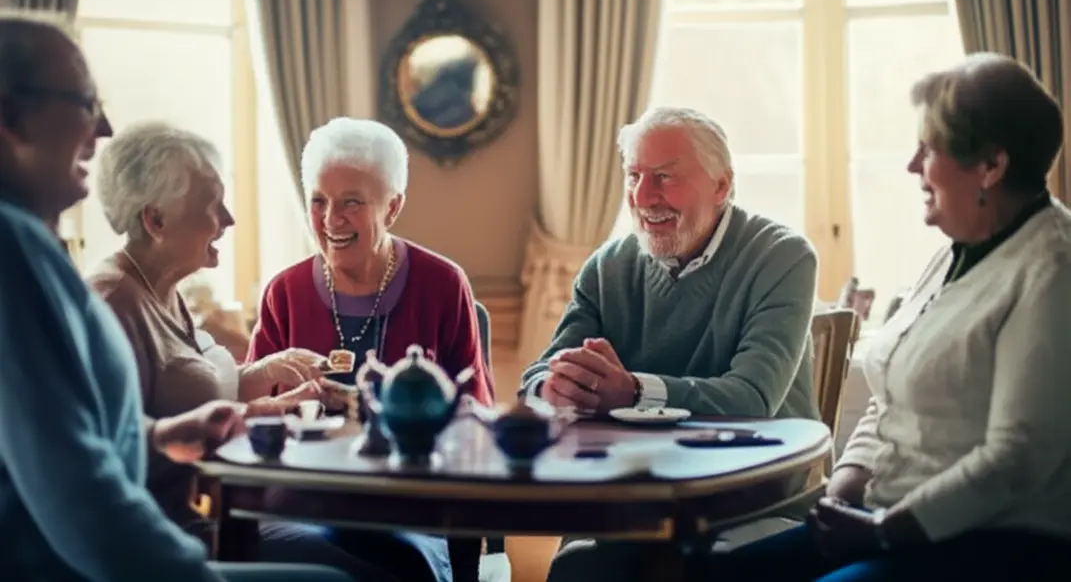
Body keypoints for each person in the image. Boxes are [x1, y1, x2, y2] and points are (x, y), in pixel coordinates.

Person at [0, 15, 353, 582]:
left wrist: (164, 436)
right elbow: (77, 493)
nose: (105, 126)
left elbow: (66, 427)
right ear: (12, 116)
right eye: (85, 102)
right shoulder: (14, 255)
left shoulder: (33, 247)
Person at [714, 53, 1071, 581]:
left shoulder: (1053, 269)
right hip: (883, 519)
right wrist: (841, 493)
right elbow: (890, 395)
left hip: (989, 544)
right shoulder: (958, 248)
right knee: (709, 572)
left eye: (929, 149)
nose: (911, 165)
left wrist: (882, 530)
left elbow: (1015, 460)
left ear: (991, 167)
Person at [519, 106, 820, 581]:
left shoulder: (781, 256)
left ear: (721, 186)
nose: (643, 197)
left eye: (664, 177)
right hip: (628, 501)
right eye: (634, 175)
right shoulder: (607, 266)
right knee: (576, 571)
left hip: (752, 501)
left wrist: (633, 393)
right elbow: (536, 377)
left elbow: (752, 399)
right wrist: (557, 386)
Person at [85, 121, 396, 580]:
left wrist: (273, 391)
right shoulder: (110, 304)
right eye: (212, 205)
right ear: (156, 220)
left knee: (389, 558)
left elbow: (188, 393)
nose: (229, 219)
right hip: (168, 539)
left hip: (213, 518)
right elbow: (117, 449)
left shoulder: (163, 288)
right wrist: (256, 413)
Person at [247, 117, 495, 582]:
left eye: (351, 203)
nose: (330, 219)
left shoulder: (442, 284)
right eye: (318, 201)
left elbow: (474, 418)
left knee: (404, 566)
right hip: (302, 498)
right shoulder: (284, 292)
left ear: (393, 207)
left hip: (407, 502)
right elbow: (256, 418)